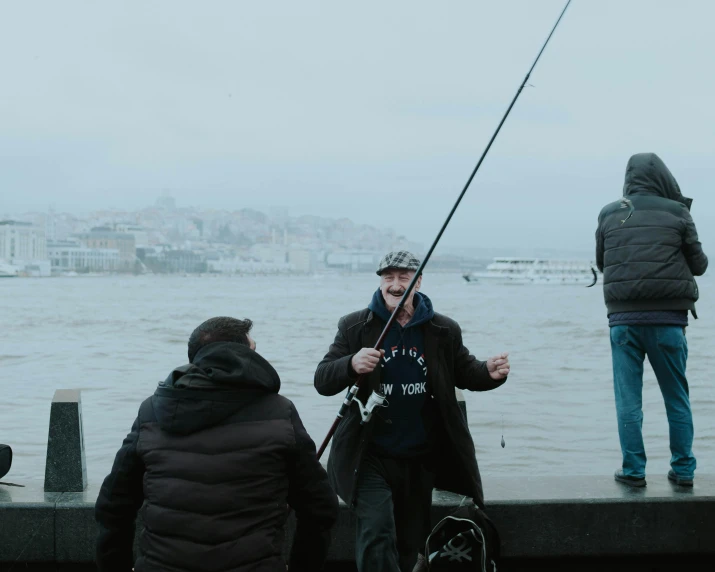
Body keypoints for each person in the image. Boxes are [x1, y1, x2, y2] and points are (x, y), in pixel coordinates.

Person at [314, 250, 509, 572]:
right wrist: (350, 364)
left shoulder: (442, 329)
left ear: (418, 282)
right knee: (377, 528)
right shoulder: (355, 326)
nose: (395, 284)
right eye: (388, 278)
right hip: (368, 454)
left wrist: (490, 372)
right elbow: (323, 380)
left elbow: (466, 372)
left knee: (408, 540)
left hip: (420, 454)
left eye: (403, 277)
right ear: (380, 282)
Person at [95, 317, 338, 572]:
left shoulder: (153, 411)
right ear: (243, 357)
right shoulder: (279, 412)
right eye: (254, 348)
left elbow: (113, 506)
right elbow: (320, 508)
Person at [596, 153, 708, 488]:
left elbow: (603, 262)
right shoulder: (677, 212)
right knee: (677, 397)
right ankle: (684, 470)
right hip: (668, 320)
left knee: (628, 400)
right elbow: (700, 264)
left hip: (623, 321)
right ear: (663, 177)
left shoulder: (608, 213)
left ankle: (633, 471)